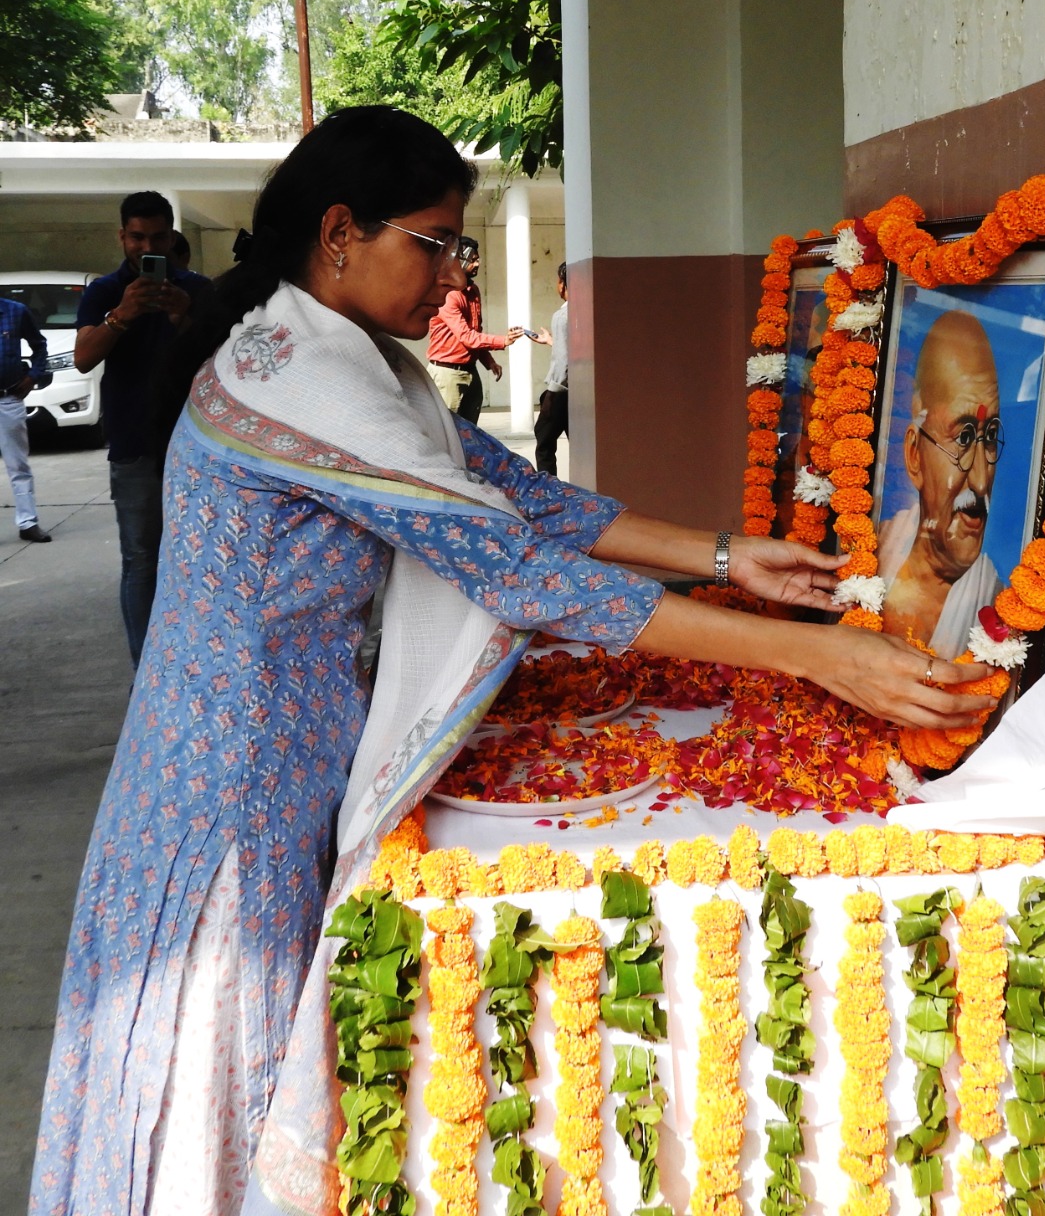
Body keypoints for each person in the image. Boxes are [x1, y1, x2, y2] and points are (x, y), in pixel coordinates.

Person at [30, 107, 992, 1216]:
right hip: (229, 785)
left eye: (458, 247)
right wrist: (816, 659)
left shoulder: (349, 354)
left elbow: (516, 491)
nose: (450, 277)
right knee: (215, 1057)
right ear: (340, 231)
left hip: (278, 751)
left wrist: (728, 553)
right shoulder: (302, 376)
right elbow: (519, 571)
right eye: (432, 243)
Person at [74, 191, 209, 666]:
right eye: (137, 236)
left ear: (172, 236)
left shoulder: (199, 289)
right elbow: (84, 357)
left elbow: (222, 361)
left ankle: (189, 665)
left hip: (197, 446)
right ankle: (146, 672)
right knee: (141, 562)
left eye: (156, 236)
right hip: (133, 445)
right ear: (122, 236)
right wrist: (123, 315)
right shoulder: (104, 292)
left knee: (199, 562)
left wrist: (183, 315)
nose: (146, 246)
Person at [878, 309, 1004, 654]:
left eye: (990, 437)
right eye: (963, 438)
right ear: (914, 454)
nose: (980, 481)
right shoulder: (871, 555)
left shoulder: (1000, 607)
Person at [425, 232, 521, 422]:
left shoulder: (473, 291)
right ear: (459, 260)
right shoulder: (449, 295)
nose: (477, 264)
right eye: (472, 260)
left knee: (471, 432)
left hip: (470, 370)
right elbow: (467, 336)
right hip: (448, 374)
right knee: (450, 432)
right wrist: (503, 340)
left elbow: (476, 332)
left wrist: (489, 362)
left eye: (478, 260)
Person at [0, 292, 52, 542]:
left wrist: (33, 376)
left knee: (17, 464)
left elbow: (39, 346)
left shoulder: (15, 311)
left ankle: (28, 522)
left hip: (8, 398)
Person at [533, 259, 569, 474]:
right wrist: (551, 341)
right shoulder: (588, 311)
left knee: (544, 440)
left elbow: (563, 360)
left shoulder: (562, 315)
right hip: (583, 389)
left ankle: (549, 490)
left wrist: (552, 395)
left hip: (563, 391)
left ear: (563, 284)